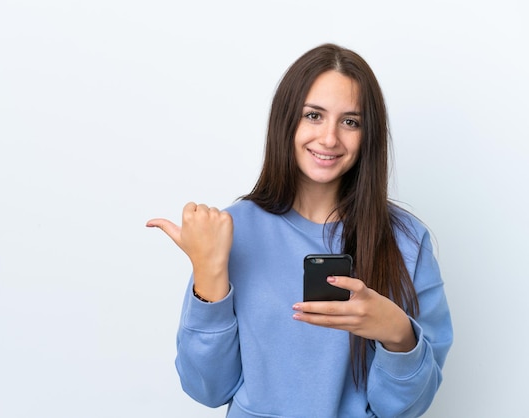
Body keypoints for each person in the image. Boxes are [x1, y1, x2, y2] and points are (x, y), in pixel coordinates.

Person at [146, 43, 453, 418]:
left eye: (350, 121)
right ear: (286, 120)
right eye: (314, 115)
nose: (329, 138)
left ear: (367, 134)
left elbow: (404, 408)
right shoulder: (230, 229)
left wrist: (397, 334)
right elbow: (208, 388)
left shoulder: (407, 241)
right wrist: (209, 273)